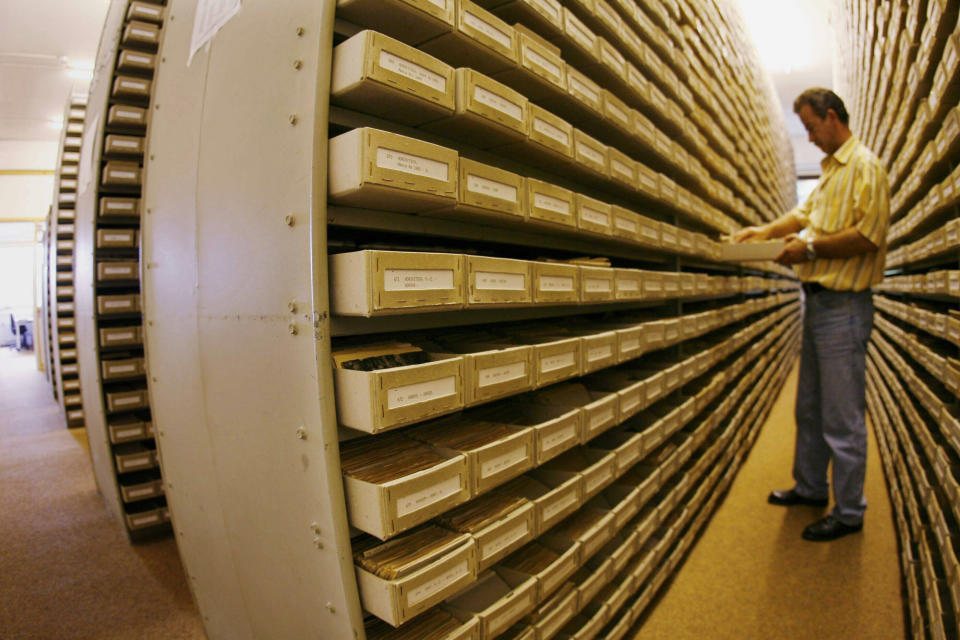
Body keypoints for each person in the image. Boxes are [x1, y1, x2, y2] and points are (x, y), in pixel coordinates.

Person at [735, 87, 890, 542]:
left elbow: (869, 234)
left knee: (842, 415)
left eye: (811, 127)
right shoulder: (829, 173)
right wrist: (763, 231)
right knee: (810, 407)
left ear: (831, 116)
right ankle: (809, 486)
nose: (810, 138)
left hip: (845, 306)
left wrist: (811, 250)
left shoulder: (865, 167)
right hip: (819, 304)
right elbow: (803, 216)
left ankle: (849, 511)